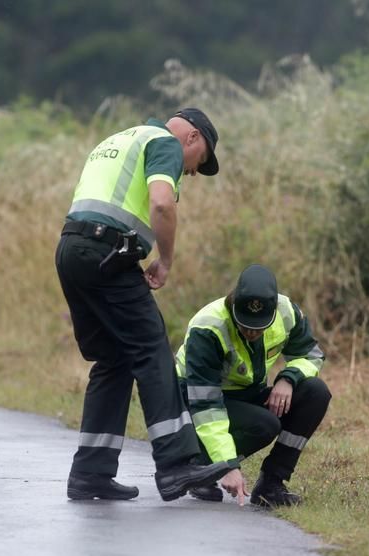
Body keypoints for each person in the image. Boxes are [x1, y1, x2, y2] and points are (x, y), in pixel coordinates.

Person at [55, 108, 232, 501]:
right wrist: (165, 261)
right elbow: (162, 204)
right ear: (192, 139)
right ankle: (177, 465)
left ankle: (90, 473)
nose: (190, 174)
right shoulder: (164, 143)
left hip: (71, 249)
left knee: (114, 359)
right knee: (152, 350)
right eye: (197, 164)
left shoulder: (116, 140)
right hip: (108, 252)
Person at [175, 264, 330, 507]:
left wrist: (288, 378)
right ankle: (199, 467)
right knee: (265, 425)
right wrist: (225, 464)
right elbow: (206, 406)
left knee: (316, 393)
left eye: (259, 326)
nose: (251, 331)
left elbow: (311, 355)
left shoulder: (287, 312)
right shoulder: (208, 327)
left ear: (273, 310)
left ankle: (271, 484)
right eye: (245, 323)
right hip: (193, 399)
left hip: (246, 394)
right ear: (233, 304)